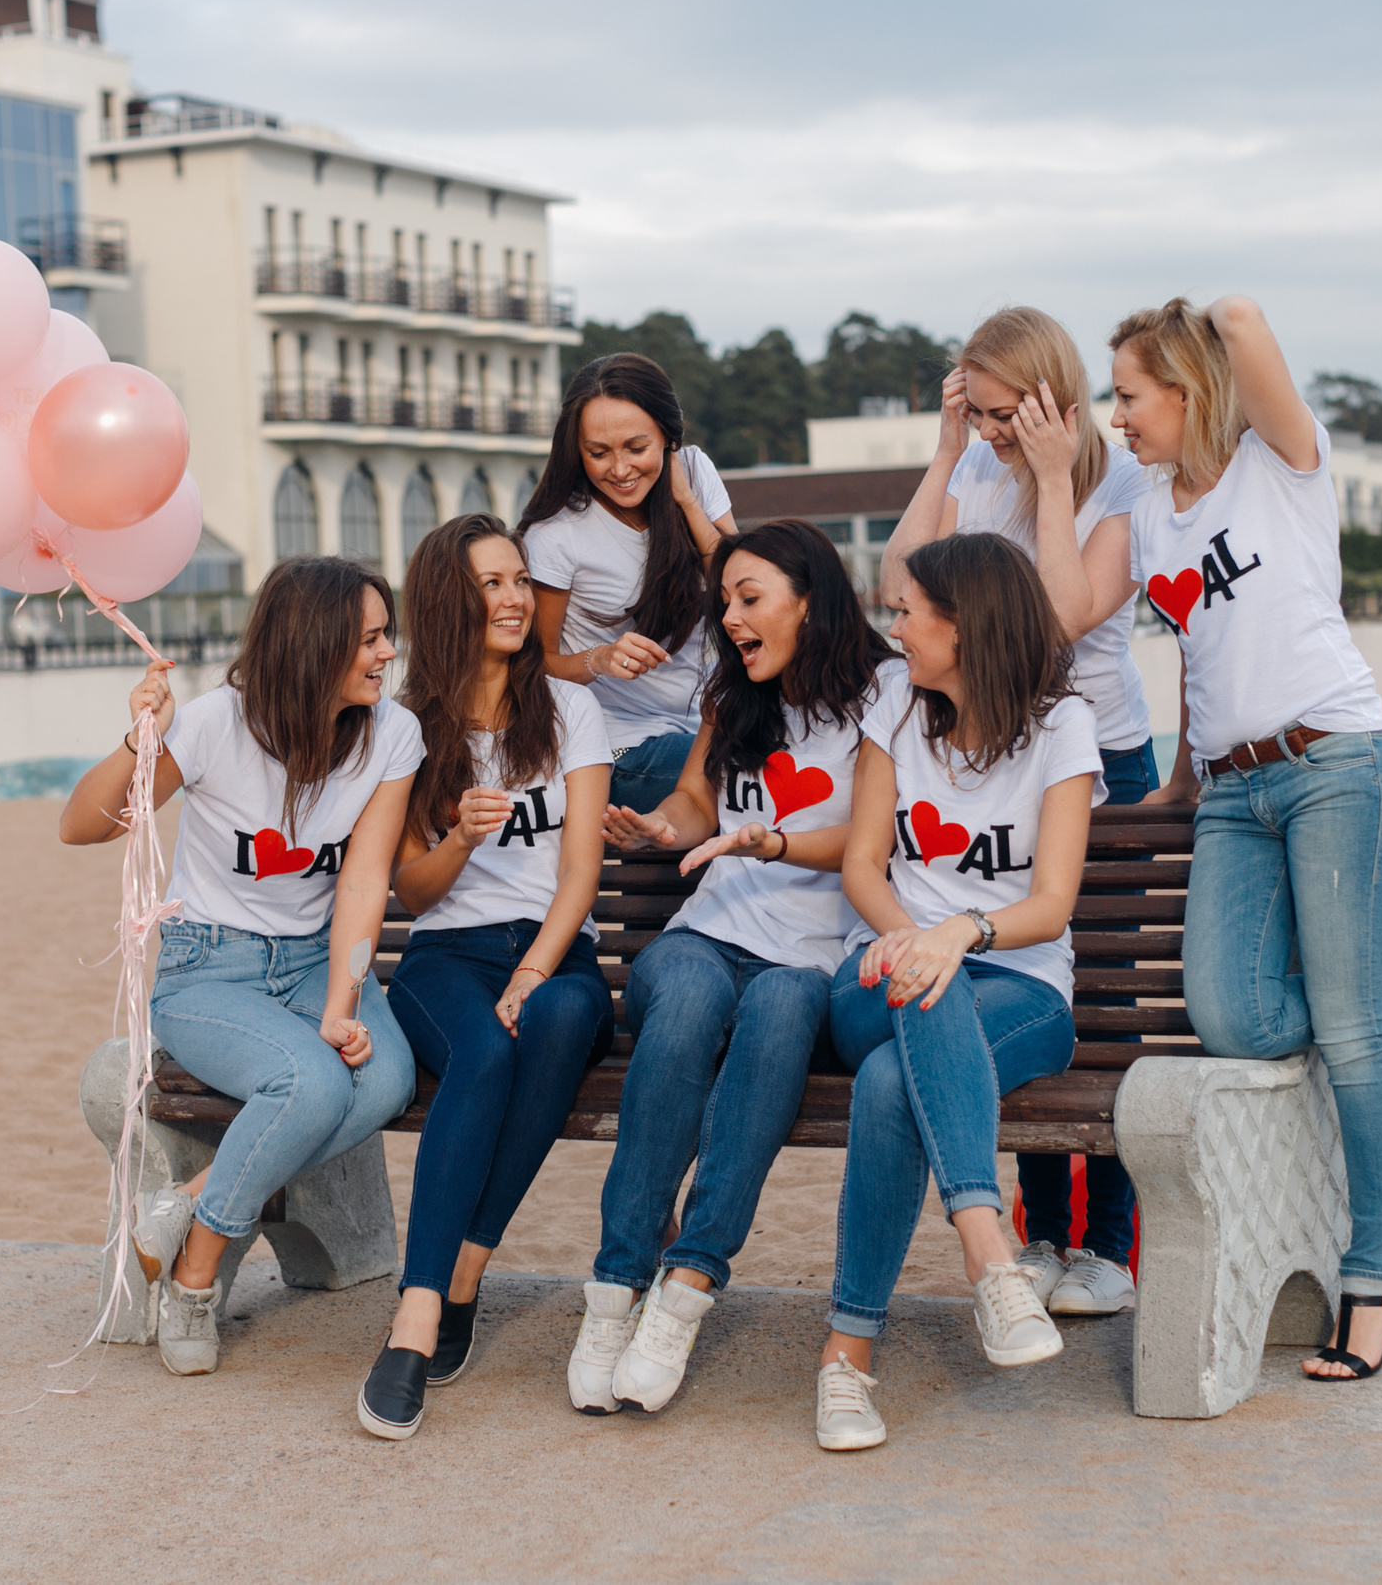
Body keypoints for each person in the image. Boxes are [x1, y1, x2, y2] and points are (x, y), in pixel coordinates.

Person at [1107, 296, 1382, 1385]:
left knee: (1349, 1043)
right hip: (1230, 795)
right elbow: (1200, 646)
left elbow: (1247, 328)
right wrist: (1186, 773)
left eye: (1130, 393)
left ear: (1185, 387)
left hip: (1335, 769)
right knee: (1237, 1016)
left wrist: (1211, 315)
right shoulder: (1149, 514)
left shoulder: (1282, 464)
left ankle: (1374, 1284)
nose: (1117, 415)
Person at [58, 555, 421, 1378]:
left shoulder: (392, 734)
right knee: (314, 1084)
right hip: (206, 970)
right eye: (368, 639)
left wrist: (342, 1002)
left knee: (388, 1075)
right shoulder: (217, 724)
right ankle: (194, 1280)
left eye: (386, 635)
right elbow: (81, 826)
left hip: (310, 963)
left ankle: (186, 1218)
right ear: (313, 640)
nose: (386, 654)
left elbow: (364, 879)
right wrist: (140, 737)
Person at [577, 519, 904, 1418]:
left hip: (809, 959)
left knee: (780, 1011)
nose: (731, 619)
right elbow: (693, 799)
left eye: (748, 598)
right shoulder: (733, 694)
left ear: (811, 598)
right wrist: (663, 828)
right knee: (681, 1003)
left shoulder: (886, 695)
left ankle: (685, 1287)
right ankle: (615, 1287)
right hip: (705, 933)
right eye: (726, 603)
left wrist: (779, 840)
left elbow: (874, 838)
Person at [881, 305, 1157, 1317]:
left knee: (1105, 1007)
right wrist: (949, 452)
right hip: (997, 757)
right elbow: (896, 582)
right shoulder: (975, 466)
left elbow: (1061, 616)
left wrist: (1047, 479)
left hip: (1100, 756)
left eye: (1003, 414)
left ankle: (1111, 1244)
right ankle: (1043, 1234)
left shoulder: (1123, 482)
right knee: (1018, 983)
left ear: (1052, 399)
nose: (994, 431)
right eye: (981, 413)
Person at [813, 532, 1105, 1451]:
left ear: (965, 623)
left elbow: (1051, 906)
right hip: (883, 975)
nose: (892, 624)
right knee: (921, 993)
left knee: (891, 1086)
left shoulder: (1062, 725)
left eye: (908, 611)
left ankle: (846, 1356)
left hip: (1019, 989)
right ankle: (989, 1253)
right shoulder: (892, 703)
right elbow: (862, 862)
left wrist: (959, 933)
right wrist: (909, 935)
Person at [355, 515, 615, 1440]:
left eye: (517, 580)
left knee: (553, 1018)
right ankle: (421, 1313)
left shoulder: (568, 709)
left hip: (555, 954)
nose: (511, 599)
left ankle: (464, 1268)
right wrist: (461, 835)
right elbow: (414, 893)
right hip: (447, 956)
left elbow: (581, 872)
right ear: (446, 600)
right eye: (489, 584)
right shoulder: (405, 728)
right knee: (481, 1054)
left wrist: (538, 966)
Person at [521, 352, 736, 812]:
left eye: (636, 449)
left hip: (707, 725)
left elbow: (747, 587)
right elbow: (535, 662)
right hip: (619, 746)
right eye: (598, 453)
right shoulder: (557, 534)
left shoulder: (695, 473)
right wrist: (599, 659)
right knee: (741, 772)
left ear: (668, 437)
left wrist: (687, 503)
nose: (619, 470)